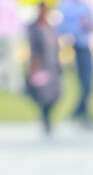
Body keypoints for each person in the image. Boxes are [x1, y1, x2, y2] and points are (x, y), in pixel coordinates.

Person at [57, 0, 93, 128]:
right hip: (70, 47)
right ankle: (80, 112)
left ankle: (80, 111)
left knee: (88, 83)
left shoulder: (86, 5)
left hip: (84, 46)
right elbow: (60, 28)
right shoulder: (64, 6)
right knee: (77, 83)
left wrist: (88, 25)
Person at [25, 2, 61, 136]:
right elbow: (34, 50)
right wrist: (34, 67)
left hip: (52, 66)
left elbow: (56, 48)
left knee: (56, 94)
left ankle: (46, 114)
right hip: (41, 66)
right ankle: (45, 118)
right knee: (44, 94)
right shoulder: (34, 29)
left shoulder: (51, 27)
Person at [0, 0, 23, 93]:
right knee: (11, 60)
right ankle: (12, 85)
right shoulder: (11, 3)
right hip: (10, 34)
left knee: (3, 60)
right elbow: (16, 19)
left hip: (3, 34)